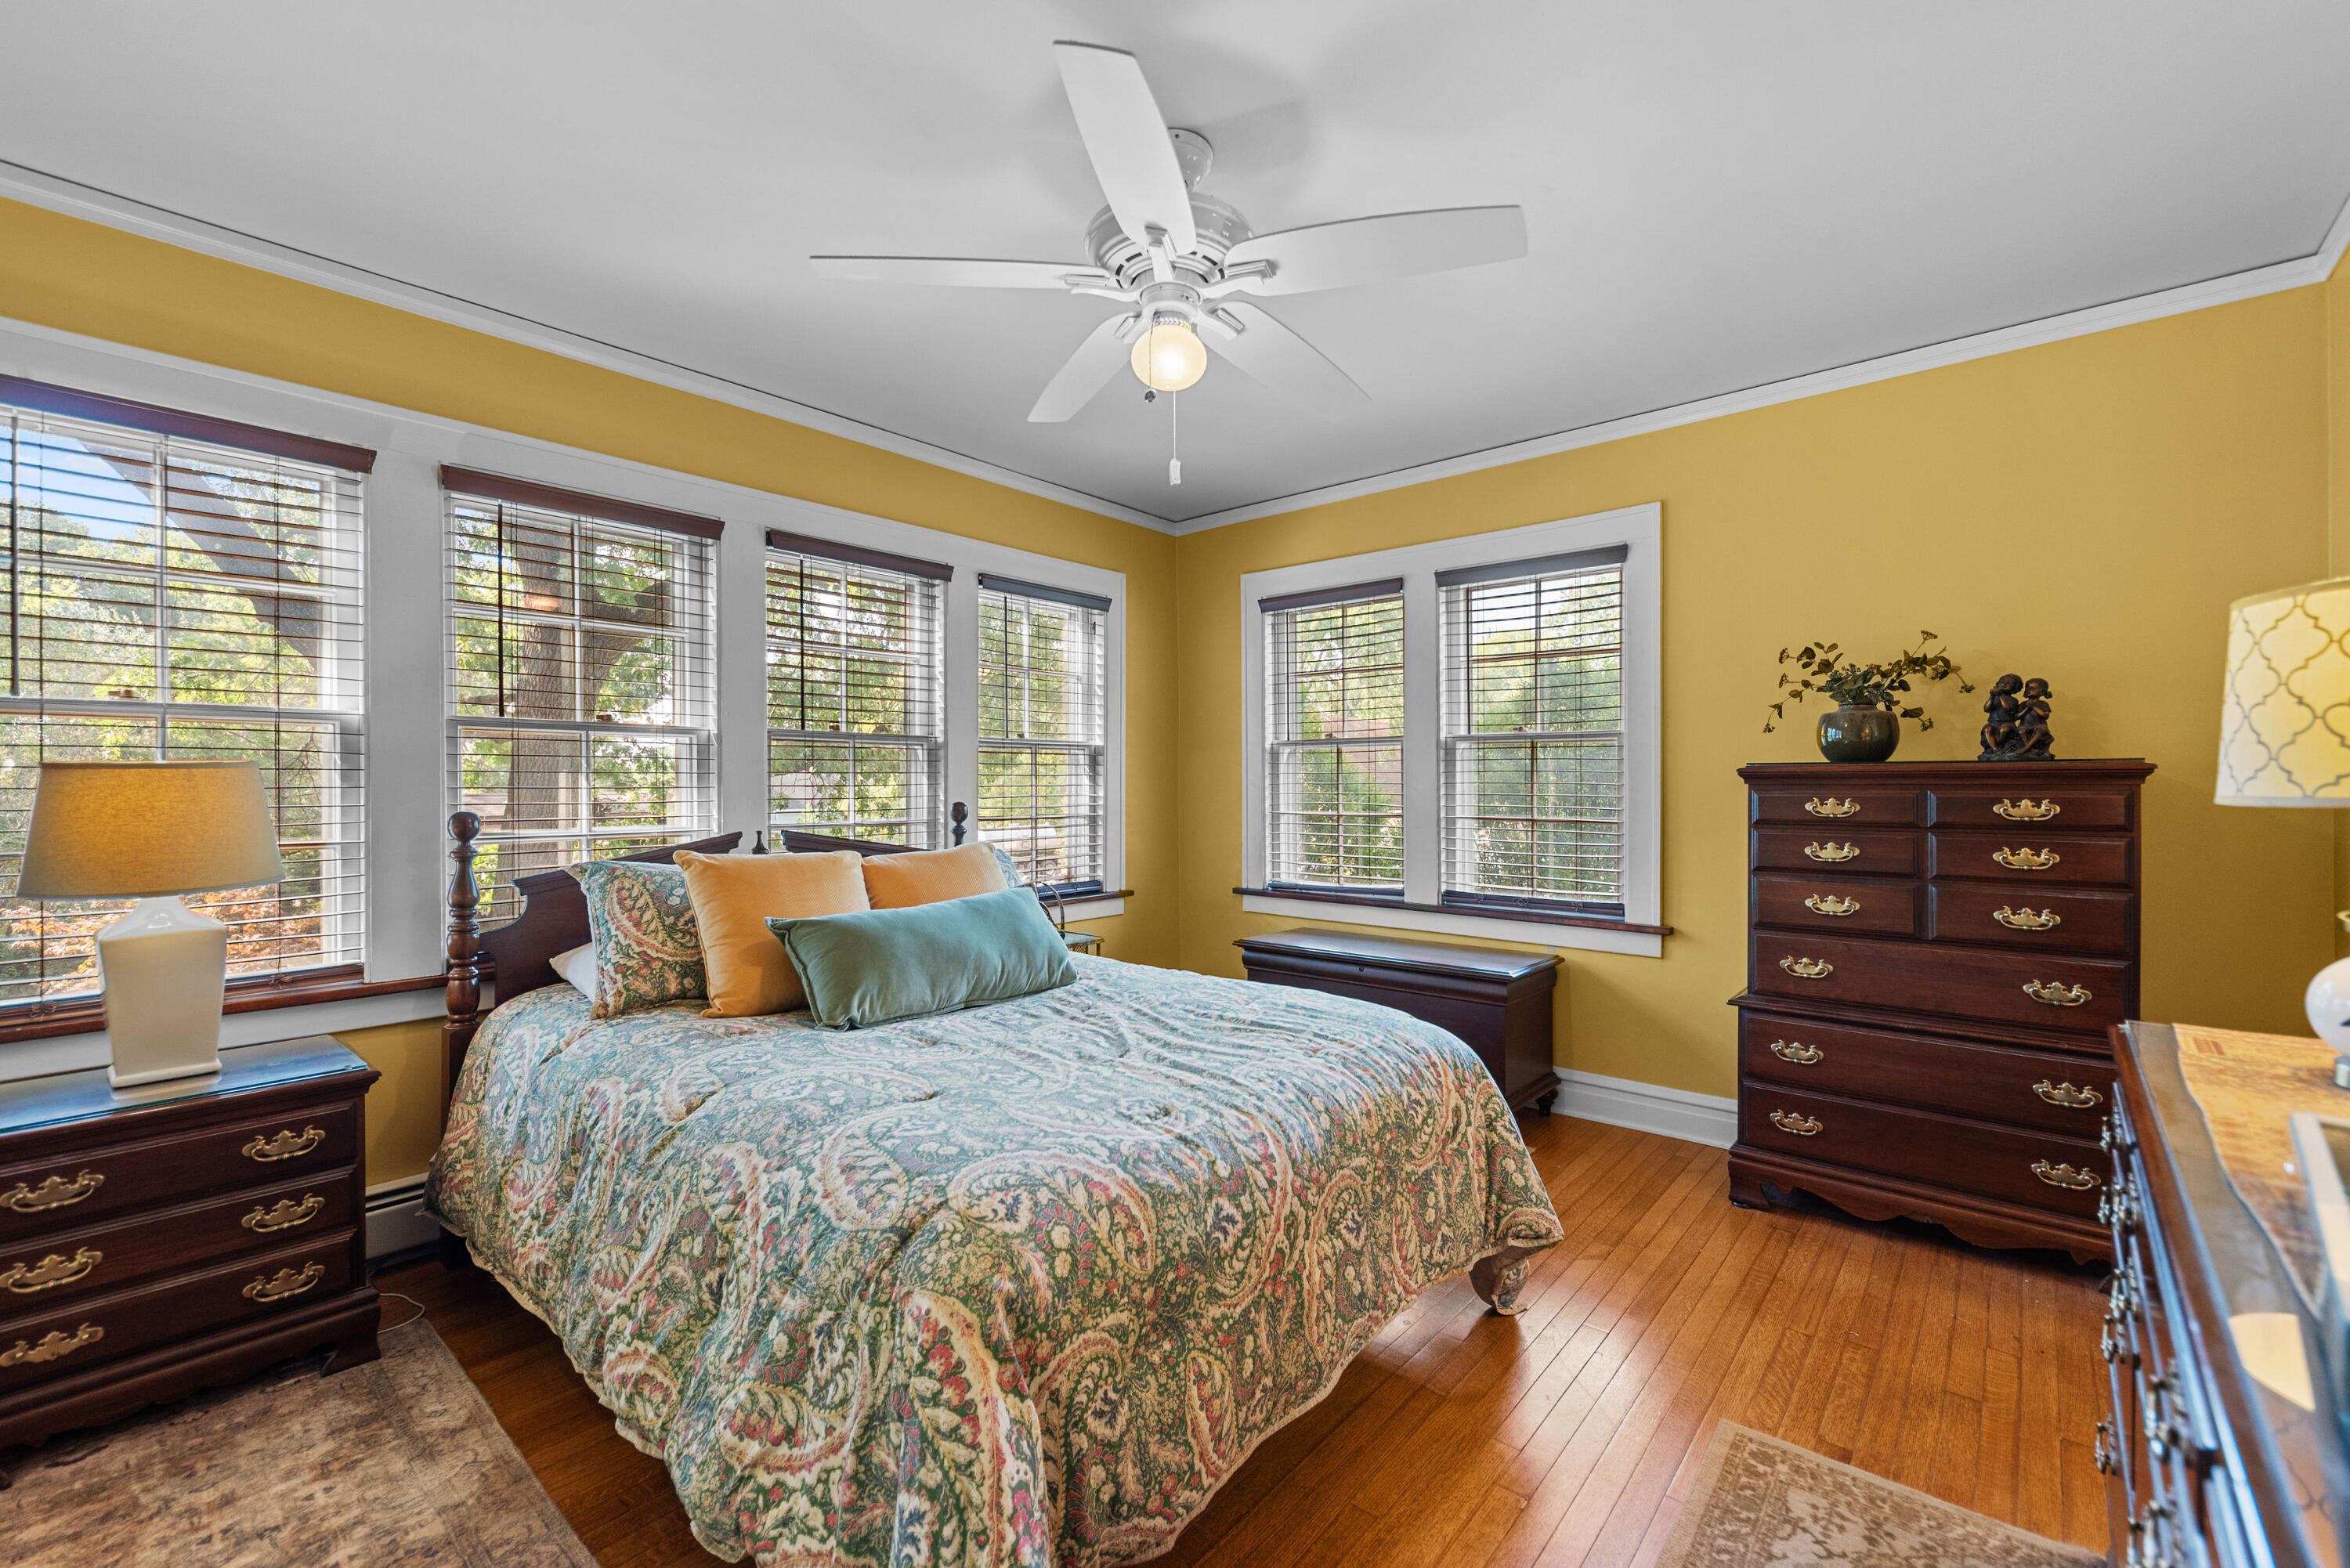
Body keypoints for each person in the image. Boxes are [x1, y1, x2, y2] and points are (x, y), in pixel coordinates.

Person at [1977, 673, 2023, 760]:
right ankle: (1995, 748)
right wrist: (1992, 697)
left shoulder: (2013, 700)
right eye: (2002, 682)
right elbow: (1986, 709)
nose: (2004, 684)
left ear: (2014, 688)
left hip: (2008, 723)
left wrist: (2001, 696)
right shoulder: (1994, 698)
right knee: (1987, 729)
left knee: (2004, 730)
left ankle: (1997, 745)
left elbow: (2007, 708)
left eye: (2009, 683)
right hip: (1993, 723)